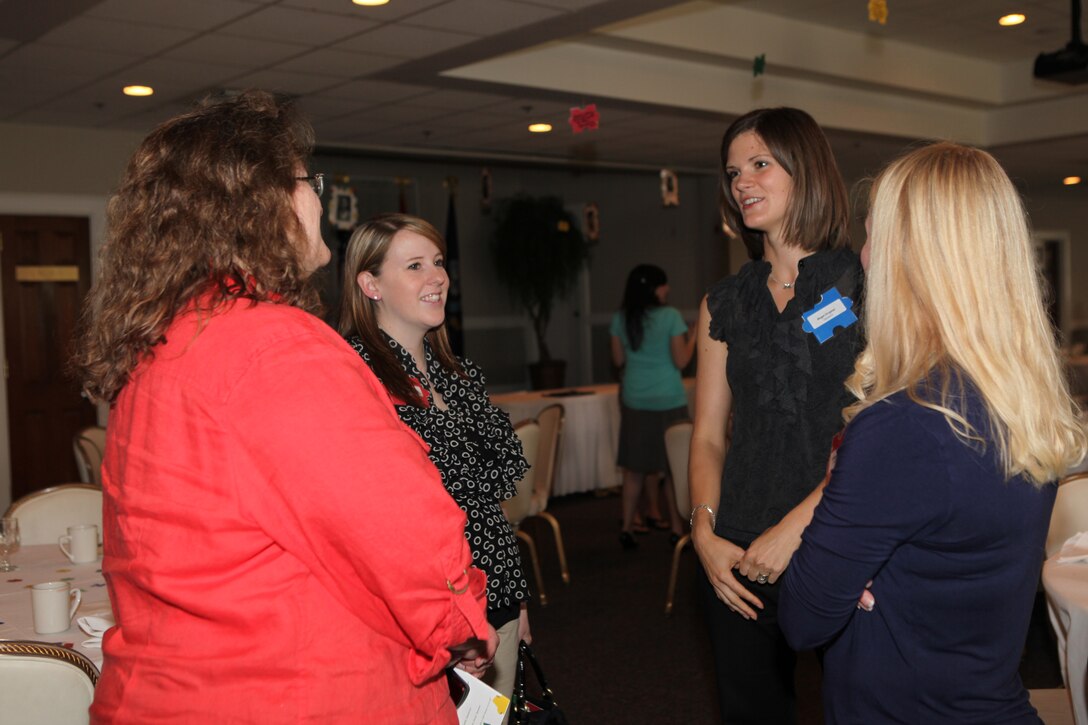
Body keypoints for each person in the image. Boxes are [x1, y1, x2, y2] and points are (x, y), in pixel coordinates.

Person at [72, 91, 494, 723]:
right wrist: (461, 628)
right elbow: (398, 530)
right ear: (264, 201)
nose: (318, 197)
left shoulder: (163, 345)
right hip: (296, 690)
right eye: (308, 180)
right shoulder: (274, 347)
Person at [780, 142, 1087, 724]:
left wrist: (841, 526)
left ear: (915, 258)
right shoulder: (1019, 401)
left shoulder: (904, 426)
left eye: (875, 237)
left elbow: (802, 618)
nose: (865, 257)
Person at [688, 106, 863, 723]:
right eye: (734, 171)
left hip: (844, 533)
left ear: (806, 170)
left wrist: (796, 527)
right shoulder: (725, 303)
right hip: (735, 550)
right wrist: (703, 533)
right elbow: (708, 436)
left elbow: (880, 432)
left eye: (760, 164)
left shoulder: (865, 285)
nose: (742, 183)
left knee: (868, 707)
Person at [339, 213, 532, 701]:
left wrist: (515, 598)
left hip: (494, 597)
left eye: (439, 262)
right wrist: (452, 620)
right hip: (427, 619)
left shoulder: (455, 373)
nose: (438, 277)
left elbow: (485, 508)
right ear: (370, 283)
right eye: (415, 265)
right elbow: (379, 527)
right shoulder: (358, 379)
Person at [610, 264, 694, 549]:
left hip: (635, 400)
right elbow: (682, 361)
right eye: (663, 285)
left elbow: (619, 361)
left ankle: (626, 527)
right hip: (669, 399)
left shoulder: (621, 318)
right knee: (671, 468)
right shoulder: (670, 317)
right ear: (653, 289)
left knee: (634, 470)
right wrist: (694, 336)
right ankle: (675, 527)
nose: (667, 289)